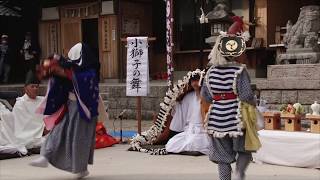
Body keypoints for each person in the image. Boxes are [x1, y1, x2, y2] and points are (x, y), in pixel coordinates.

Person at [30, 43, 100, 179]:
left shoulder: (90, 71)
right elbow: (66, 75)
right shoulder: (71, 68)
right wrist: (54, 71)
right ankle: (45, 156)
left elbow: (78, 78)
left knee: (79, 139)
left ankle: (80, 169)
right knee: (57, 131)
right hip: (69, 106)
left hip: (84, 110)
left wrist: (62, 72)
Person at [200, 33, 261, 180]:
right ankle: (239, 173)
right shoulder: (239, 70)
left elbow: (206, 97)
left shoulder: (210, 72)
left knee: (222, 157)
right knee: (244, 150)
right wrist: (255, 106)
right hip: (237, 118)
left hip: (216, 119)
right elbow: (246, 95)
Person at [0, 71, 45, 156]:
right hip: (28, 135)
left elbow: (49, 116)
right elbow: (23, 124)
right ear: (25, 89)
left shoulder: (43, 100)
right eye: (32, 86)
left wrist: (48, 126)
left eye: (37, 87)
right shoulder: (20, 103)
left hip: (42, 132)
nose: (35, 89)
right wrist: (42, 129)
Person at [165, 73, 210, 155]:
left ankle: (196, 150)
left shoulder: (207, 96)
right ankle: (192, 150)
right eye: (193, 81)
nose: (194, 83)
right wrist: (177, 102)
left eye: (197, 80)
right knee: (171, 144)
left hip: (203, 131)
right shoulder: (188, 96)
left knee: (194, 142)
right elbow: (182, 112)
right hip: (190, 130)